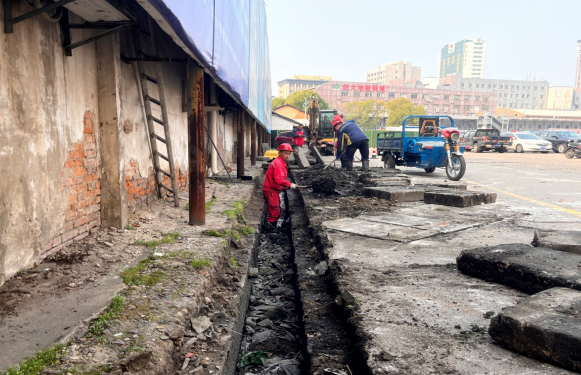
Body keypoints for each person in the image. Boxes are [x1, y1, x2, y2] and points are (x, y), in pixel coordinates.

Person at [262, 143, 298, 231]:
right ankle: (270, 228)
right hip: (271, 190)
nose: (288, 156)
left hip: (273, 189)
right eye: (286, 153)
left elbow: (278, 180)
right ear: (280, 152)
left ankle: (272, 225)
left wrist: (285, 187)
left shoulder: (280, 162)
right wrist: (289, 184)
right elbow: (279, 179)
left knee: (277, 209)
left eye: (289, 154)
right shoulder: (278, 163)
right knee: (275, 211)